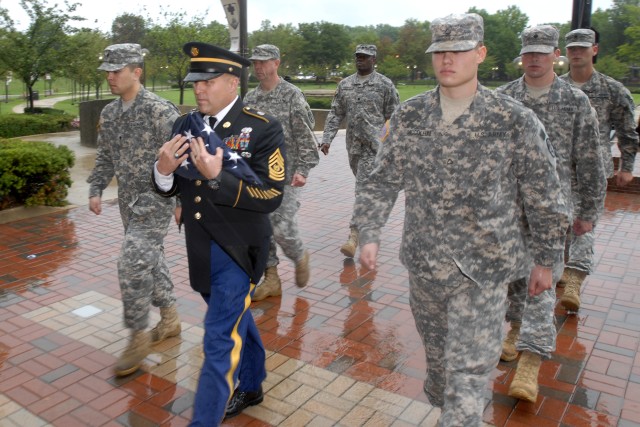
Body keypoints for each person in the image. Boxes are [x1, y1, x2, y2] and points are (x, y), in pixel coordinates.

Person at [355, 14, 569, 425]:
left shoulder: (513, 119)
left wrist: (545, 258)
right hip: (426, 268)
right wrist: (369, 232)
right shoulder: (409, 117)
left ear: (481, 54)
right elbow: (380, 181)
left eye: (459, 51)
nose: (447, 60)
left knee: (468, 377)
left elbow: (544, 194)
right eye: (440, 52)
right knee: (439, 373)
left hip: (484, 272)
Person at [152, 42, 286, 425]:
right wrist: (162, 170)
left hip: (239, 248)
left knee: (217, 340)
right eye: (196, 82)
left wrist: (218, 177)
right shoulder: (185, 124)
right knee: (233, 317)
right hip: (199, 246)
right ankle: (253, 382)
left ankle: (204, 418)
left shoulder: (262, 128)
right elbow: (171, 186)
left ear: (232, 82)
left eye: (208, 82)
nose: (199, 90)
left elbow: (271, 195)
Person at [497, 25, 606, 403]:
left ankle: (529, 364)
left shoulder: (575, 102)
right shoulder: (503, 98)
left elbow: (591, 161)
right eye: (529, 53)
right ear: (522, 55)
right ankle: (515, 329)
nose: (535, 59)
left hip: (552, 212)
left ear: (555, 54)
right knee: (514, 280)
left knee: (541, 285)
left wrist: (588, 211)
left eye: (542, 53)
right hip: (507, 210)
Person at [87, 43, 181, 377]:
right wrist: (96, 187)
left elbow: (181, 156)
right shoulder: (110, 113)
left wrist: (181, 201)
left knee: (132, 258)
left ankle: (137, 336)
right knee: (150, 257)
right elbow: (106, 156)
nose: (110, 77)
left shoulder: (160, 110)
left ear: (136, 72)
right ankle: (170, 319)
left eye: (117, 71)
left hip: (157, 197)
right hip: (128, 201)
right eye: (108, 71)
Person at [559, 28, 639, 311]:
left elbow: (628, 132)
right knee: (561, 222)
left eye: (583, 47)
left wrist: (627, 166)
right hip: (558, 169)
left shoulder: (612, 90)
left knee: (584, 222)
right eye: (572, 48)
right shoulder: (555, 88)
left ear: (595, 50)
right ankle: (562, 268)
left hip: (592, 171)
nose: (577, 52)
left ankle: (574, 279)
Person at [244, 44, 320, 301]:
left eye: (264, 62)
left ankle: (299, 255)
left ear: (276, 63)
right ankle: (271, 277)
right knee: (259, 229)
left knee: (282, 229)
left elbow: (305, 137)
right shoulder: (250, 99)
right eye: (255, 62)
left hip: (285, 176)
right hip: (256, 176)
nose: (258, 67)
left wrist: (303, 169)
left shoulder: (292, 96)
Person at [319, 43, 399, 258]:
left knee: (362, 188)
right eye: (358, 56)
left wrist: (383, 140)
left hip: (375, 148)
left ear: (374, 60)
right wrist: (327, 138)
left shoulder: (385, 85)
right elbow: (336, 113)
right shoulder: (345, 85)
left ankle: (354, 235)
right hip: (353, 147)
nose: (360, 60)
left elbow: (393, 117)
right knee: (366, 188)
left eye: (365, 57)